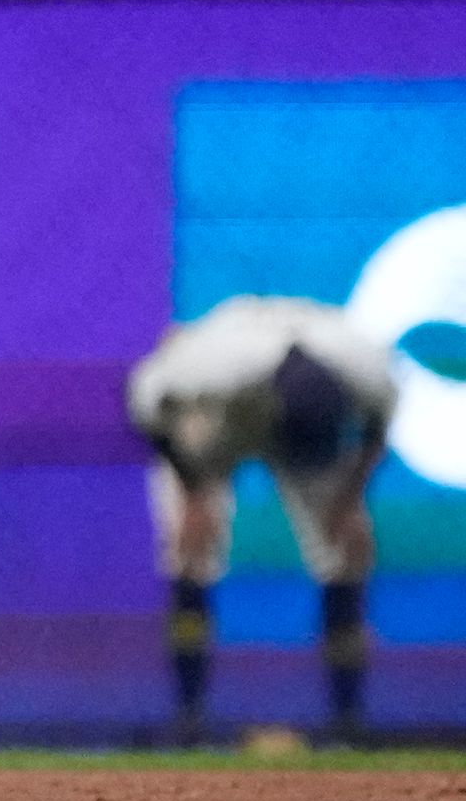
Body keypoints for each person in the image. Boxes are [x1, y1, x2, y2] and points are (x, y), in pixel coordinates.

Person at [128, 295, 399, 744]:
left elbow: (376, 431)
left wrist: (348, 499)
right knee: (189, 548)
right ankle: (188, 716)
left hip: (306, 388)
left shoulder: (367, 372)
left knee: (348, 550)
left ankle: (348, 720)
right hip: (223, 410)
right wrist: (195, 493)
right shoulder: (205, 369)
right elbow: (145, 406)